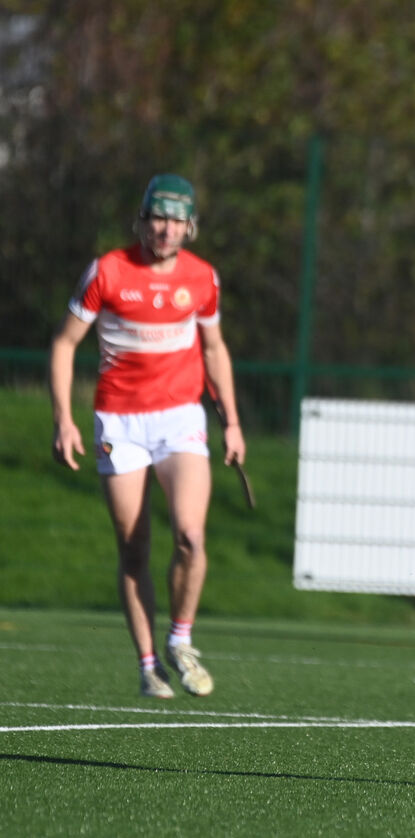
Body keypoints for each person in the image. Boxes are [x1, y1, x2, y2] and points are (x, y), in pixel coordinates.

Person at [49, 173, 245, 700]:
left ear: (190, 227)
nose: (165, 229)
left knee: (190, 536)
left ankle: (181, 640)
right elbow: (66, 344)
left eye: (176, 219)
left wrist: (231, 421)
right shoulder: (108, 271)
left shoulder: (203, 278)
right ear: (141, 220)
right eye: (157, 217)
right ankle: (148, 663)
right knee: (134, 548)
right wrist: (63, 419)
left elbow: (213, 350)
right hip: (119, 422)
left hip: (180, 416)